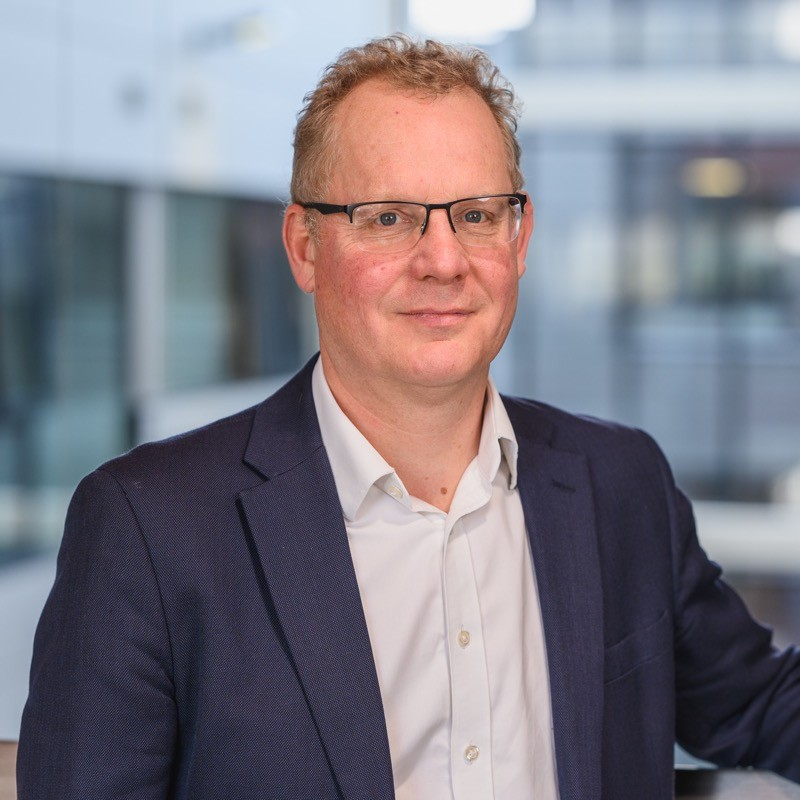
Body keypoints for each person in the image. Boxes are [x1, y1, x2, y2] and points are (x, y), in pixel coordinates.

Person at [17, 34, 800, 800]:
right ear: (304, 248)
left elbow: (764, 706)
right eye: (389, 218)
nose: (444, 261)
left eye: (477, 215)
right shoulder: (150, 530)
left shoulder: (621, 485)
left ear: (519, 237)